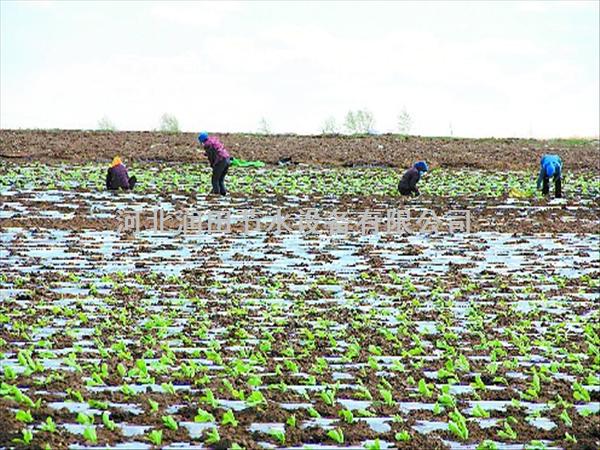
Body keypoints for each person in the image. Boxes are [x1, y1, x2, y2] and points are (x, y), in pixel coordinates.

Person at [198, 131, 231, 195]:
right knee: (220, 180)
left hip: (221, 161)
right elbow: (217, 151)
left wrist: (213, 165)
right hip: (227, 160)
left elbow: (212, 157)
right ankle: (223, 194)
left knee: (214, 180)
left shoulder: (207, 145)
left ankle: (216, 196)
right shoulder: (213, 141)